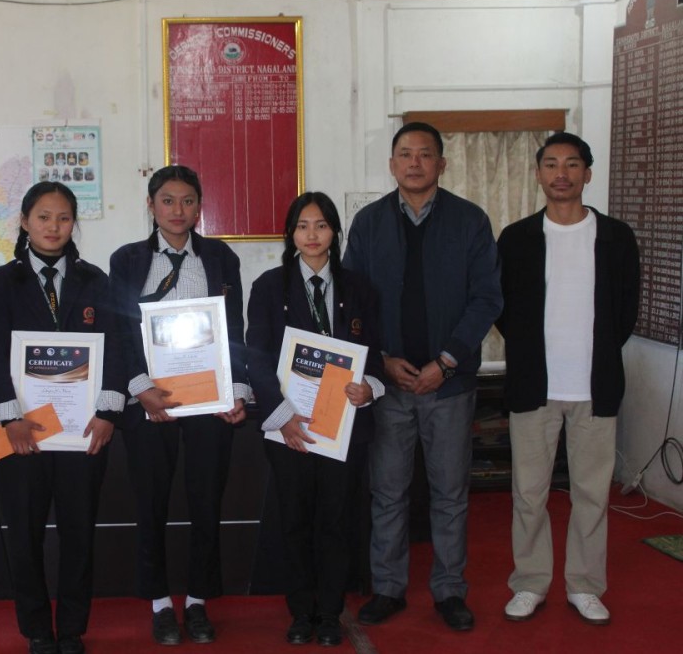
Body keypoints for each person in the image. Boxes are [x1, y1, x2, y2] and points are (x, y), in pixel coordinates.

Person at [343, 121, 502, 631]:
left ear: (441, 164)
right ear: (392, 165)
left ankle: (449, 590)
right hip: (388, 385)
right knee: (387, 492)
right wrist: (381, 359)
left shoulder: (470, 221)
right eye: (405, 154)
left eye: (425, 154)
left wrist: (448, 360)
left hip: (448, 384)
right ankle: (388, 587)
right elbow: (352, 303)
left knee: (450, 493)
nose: (415, 162)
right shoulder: (368, 223)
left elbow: (486, 299)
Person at [496, 132, 639, 626]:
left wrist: (594, 358)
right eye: (552, 164)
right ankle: (530, 583)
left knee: (593, 494)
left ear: (587, 174)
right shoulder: (516, 238)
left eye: (572, 164)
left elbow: (626, 313)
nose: (562, 173)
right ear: (538, 174)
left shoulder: (617, 237)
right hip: (534, 387)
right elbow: (504, 311)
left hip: (593, 387)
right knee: (529, 493)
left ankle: (584, 585)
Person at [0, 181, 124, 654]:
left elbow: (118, 350)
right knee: (25, 533)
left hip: (83, 433)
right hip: (24, 432)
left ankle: (73, 629)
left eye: (62, 218)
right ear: (24, 222)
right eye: (43, 217)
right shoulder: (2, 282)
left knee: (80, 533)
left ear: (73, 223)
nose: (53, 227)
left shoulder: (96, 280)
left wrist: (107, 413)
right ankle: (38, 629)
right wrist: (9, 418)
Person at [108, 165, 249, 646]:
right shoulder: (127, 260)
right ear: (151, 206)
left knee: (206, 501)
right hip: (150, 402)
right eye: (167, 200)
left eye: (188, 201)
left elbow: (235, 332)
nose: (178, 210)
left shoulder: (220, 257)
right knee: (152, 504)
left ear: (199, 207)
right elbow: (120, 330)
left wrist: (237, 391)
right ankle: (159, 604)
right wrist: (140, 386)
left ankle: (198, 602)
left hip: (208, 404)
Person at [246, 192, 385, 646]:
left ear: (334, 232)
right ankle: (300, 612)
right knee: (295, 521)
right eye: (302, 226)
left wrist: (371, 390)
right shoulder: (270, 286)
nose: (311, 235)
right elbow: (257, 357)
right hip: (289, 428)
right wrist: (282, 415)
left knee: (336, 521)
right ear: (291, 234)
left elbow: (376, 358)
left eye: (321, 225)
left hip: (343, 430)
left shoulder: (359, 287)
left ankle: (329, 612)